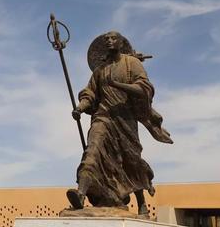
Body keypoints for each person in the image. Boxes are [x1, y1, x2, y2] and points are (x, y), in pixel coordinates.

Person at [66, 31, 172, 216]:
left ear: (121, 42)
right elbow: (90, 93)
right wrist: (80, 108)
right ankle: (80, 194)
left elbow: (144, 88)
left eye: (113, 38)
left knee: (132, 161)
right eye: (106, 39)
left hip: (125, 120)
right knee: (92, 150)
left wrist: (117, 84)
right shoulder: (100, 70)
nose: (109, 41)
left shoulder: (132, 64)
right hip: (103, 117)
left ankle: (141, 203)